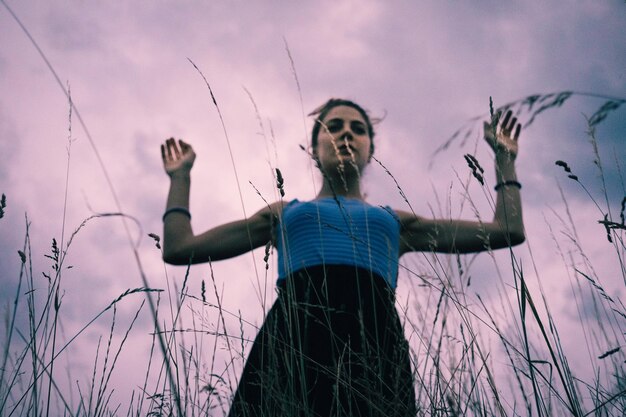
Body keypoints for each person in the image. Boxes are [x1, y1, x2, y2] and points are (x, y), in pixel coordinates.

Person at [160, 98, 525, 416]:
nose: (346, 134)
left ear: (371, 149)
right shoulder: (285, 214)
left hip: (373, 348)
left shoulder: (396, 223)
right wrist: (181, 178)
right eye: (333, 127)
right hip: (292, 343)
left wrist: (504, 161)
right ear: (313, 148)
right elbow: (180, 249)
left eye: (357, 129)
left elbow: (507, 231)